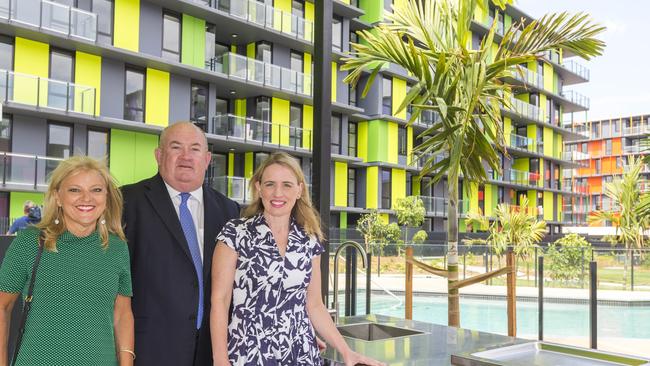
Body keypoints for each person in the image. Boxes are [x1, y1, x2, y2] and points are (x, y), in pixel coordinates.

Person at [211, 152, 385, 366]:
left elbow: (314, 305)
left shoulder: (309, 239)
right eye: (270, 184)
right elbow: (220, 300)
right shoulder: (235, 233)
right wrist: (219, 359)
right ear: (258, 188)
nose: (277, 193)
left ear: (299, 190)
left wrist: (346, 351)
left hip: (301, 353)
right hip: (250, 352)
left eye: (286, 185)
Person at [122, 122, 239, 366]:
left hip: (211, 352)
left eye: (195, 149)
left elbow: (245, 283)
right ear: (159, 155)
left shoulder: (230, 210)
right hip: (148, 351)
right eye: (176, 147)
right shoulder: (126, 202)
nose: (186, 156)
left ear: (207, 159)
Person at [0, 156, 134, 365]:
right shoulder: (30, 243)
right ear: (58, 197)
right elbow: (2, 307)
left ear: (107, 197)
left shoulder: (117, 248)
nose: (86, 198)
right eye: (75, 190)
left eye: (96, 190)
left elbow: (122, 313)